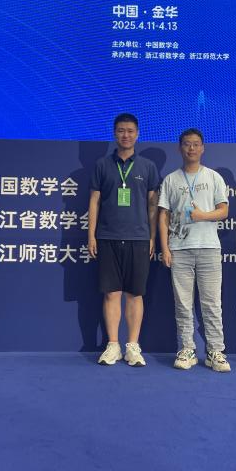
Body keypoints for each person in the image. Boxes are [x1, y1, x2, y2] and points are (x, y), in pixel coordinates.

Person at [88, 113, 159, 366]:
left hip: (138, 238)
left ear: (137, 134)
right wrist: (91, 235)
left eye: (130, 131)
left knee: (135, 294)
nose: (125, 135)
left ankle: (132, 346)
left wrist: (152, 237)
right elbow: (94, 201)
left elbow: (153, 205)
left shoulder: (148, 167)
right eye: (120, 130)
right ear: (114, 133)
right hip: (107, 237)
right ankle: (113, 345)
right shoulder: (102, 165)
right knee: (111, 294)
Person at [158, 128, 230, 372]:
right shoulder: (171, 180)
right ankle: (187, 349)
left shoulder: (213, 177)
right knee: (183, 304)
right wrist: (165, 248)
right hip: (179, 249)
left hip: (209, 247)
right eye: (187, 144)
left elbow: (224, 211)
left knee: (212, 304)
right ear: (180, 148)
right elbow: (163, 216)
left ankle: (215, 351)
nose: (191, 148)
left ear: (203, 148)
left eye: (196, 144)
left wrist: (202, 216)